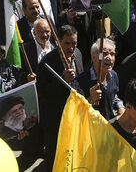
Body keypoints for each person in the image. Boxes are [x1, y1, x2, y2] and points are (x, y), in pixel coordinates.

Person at [36, 25, 84, 166]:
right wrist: (62, 80)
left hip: (75, 115)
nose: (71, 48)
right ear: (58, 42)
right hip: (55, 120)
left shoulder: (79, 54)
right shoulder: (46, 62)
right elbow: (42, 92)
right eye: (67, 43)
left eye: (74, 43)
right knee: (55, 157)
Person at [73, 38, 124, 120]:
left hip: (108, 126)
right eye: (105, 54)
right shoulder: (80, 82)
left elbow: (114, 96)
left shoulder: (114, 75)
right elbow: (76, 111)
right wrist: (90, 100)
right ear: (93, 57)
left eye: (112, 54)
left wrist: (120, 107)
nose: (109, 58)